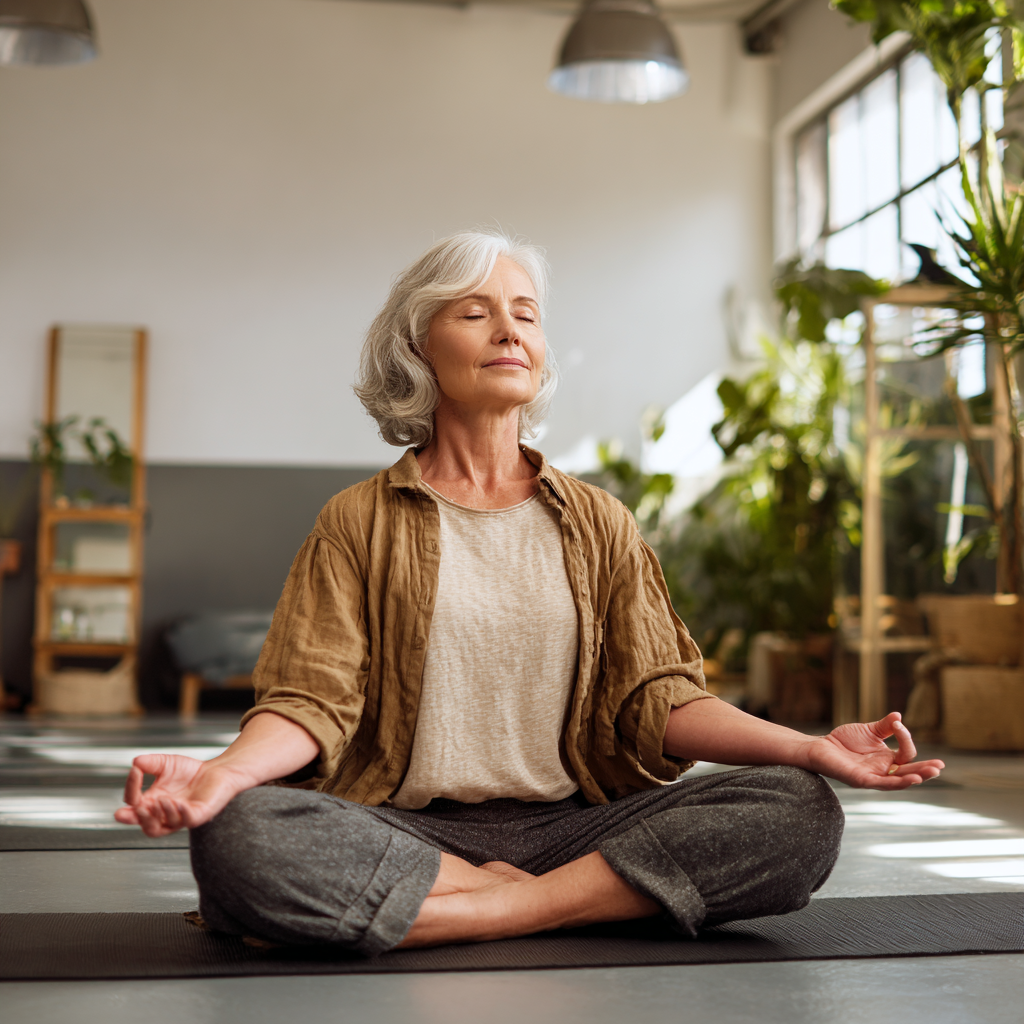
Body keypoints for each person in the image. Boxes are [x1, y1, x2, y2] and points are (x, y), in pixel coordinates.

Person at [116, 230, 944, 955]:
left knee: (798, 811)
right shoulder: (357, 522)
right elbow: (310, 700)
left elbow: (658, 699)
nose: (509, 328)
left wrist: (807, 748)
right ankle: (584, 906)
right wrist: (224, 774)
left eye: (525, 312)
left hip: (575, 825)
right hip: (409, 829)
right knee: (240, 833)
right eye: (474, 312)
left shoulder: (600, 522)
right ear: (417, 347)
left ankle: (494, 910)